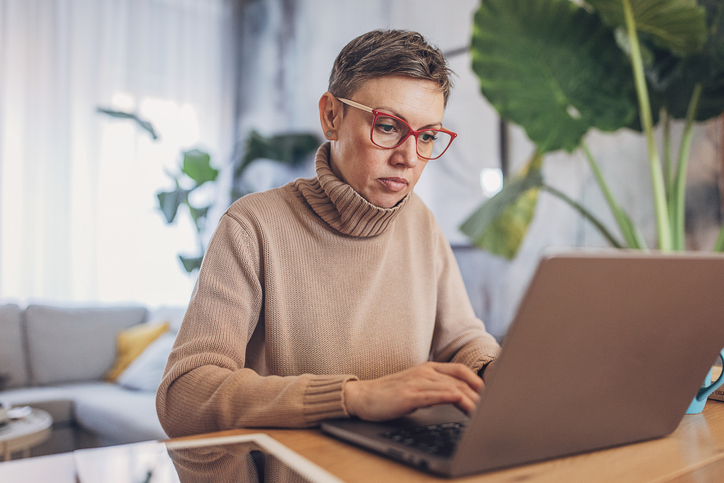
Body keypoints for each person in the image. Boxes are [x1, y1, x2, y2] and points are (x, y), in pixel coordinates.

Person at [157, 29, 500, 438]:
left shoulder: (420, 221)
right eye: (389, 126)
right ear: (331, 117)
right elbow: (183, 398)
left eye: (426, 135)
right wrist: (352, 397)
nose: (408, 157)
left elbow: (462, 339)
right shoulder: (252, 226)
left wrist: (496, 370)